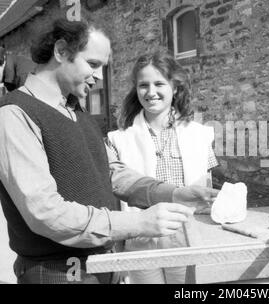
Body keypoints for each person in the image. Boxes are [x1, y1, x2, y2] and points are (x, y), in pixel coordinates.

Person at [0, 18, 218, 284]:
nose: (100, 76)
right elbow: (46, 213)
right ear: (61, 52)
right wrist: (138, 224)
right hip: (58, 271)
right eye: (93, 64)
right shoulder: (14, 115)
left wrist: (174, 193)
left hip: (102, 264)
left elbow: (113, 173)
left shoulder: (77, 112)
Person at [107, 48, 218, 284]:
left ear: (175, 87)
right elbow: (116, 194)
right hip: (141, 238)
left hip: (188, 236)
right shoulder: (118, 139)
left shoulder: (201, 135)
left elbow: (206, 192)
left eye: (159, 84)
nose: (151, 92)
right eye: (143, 85)